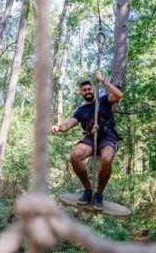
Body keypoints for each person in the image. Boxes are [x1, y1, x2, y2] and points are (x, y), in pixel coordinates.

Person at [51, 72, 123, 209]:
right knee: (75, 155)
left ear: (93, 90)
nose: (87, 91)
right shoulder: (80, 110)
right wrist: (58, 127)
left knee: (107, 159)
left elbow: (118, 95)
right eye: (84, 90)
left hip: (108, 136)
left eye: (89, 89)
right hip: (91, 137)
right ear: (81, 93)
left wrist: (103, 81)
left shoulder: (103, 100)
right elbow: (68, 124)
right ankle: (88, 190)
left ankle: (99, 195)